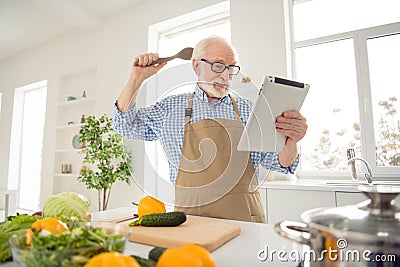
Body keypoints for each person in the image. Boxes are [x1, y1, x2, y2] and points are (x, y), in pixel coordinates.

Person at [113, 36, 307, 223]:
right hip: (191, 223)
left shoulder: (251, 110)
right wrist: (136, 79)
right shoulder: (169, 109)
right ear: (196, 66)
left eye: (231, 68)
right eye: (218, 65)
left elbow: (280, 163)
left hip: (246, 222)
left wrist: (291, 141)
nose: (225, 75)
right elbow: (124, 125)